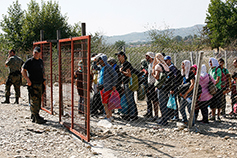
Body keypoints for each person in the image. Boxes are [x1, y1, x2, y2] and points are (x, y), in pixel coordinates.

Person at [21, 47, 47, 124]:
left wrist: (44, 81)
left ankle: (35, 115)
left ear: (40, 53)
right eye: (34, 52)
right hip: (33, 84)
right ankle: (36, 117)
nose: (36, 54)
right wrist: (27, 79)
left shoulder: (40, 61)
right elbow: (23, 70)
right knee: (34, 100)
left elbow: (42, 72)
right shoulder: (30, 61)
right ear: (33, 53)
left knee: (38, 100)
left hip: (40, 83)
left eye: (37, 52)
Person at [115, 51, 138, 121]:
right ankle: (130, 114)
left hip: (128, 84)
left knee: (130, 100)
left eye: (119, 56)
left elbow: (129, 74)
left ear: (123, 56)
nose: (118, 58)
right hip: (124, 83)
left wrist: (121, 71)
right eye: (117, 56)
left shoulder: (126, 64)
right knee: (128, 99)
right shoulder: (121, 64)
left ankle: (132, 115)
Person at [96, 54, 118, 122]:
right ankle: (110, 116)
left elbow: (115, 75)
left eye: (100, 59)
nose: (99, 61)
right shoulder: (101, 67)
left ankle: (108, 117)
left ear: (104, 60)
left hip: (107, 87)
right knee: (106, 103)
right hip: (101, 87)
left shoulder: (108, 67)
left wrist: (114, 85)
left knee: (105, 103)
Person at [152, 53, 170, 126]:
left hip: (161, 87)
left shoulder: (158, 66)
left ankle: (164, 120)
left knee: (162, 104)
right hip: (166, 87)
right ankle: (165, 118)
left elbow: (156, 77)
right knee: (164, 104)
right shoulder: (165, 66)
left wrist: (152, 73)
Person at [164, 55, 182, 121]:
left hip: (173, 87)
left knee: (174, 102)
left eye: (166, 60)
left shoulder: (173, 68)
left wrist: (172, 89)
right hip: (169, 87)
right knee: (170, 101)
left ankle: (176, 116)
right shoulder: (168, 68)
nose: (165, 62)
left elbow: (174, 79)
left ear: (170, 60)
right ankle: (171, 115)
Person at [143, 52, 159, 121]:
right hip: (150, 84)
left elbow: (156, 76)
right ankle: (151, 114)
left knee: (155, 101)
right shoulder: (149, 65)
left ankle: (156, 115)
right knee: (150, 100)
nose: (146, 58)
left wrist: (156, 86)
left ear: (151, 57)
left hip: (154, 84)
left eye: (147, 56)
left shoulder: (155, 65)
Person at [179, 60, 195, 125]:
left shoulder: (190, 74)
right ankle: (185, 120)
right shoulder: (183, 73)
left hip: (189, 94)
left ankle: (192, 122)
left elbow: (192, 84)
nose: (182, 66)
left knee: (190, 109)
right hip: (183, 94)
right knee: (181, 108)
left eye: (183, 64)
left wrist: (186, 93)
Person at [208, 57, 222, 122]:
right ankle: (213, 115)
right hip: (212, 89)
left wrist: (213, 84)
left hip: (217, 88)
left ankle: (218, 116)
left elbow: (217, 79)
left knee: (218, 102)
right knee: (212, 102)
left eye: (211, 62)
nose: (210, 63)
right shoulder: (210, 70)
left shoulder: (218, 69)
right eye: (209, 62)